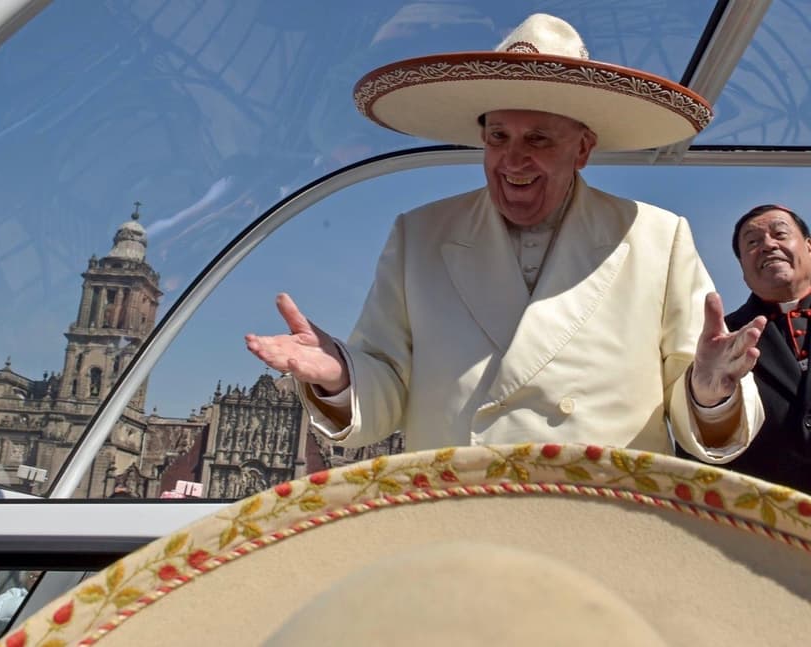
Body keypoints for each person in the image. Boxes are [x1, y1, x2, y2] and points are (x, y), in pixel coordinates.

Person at [245, 13, 764, 462]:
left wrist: (710, 389)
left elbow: (700, 407)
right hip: (462, 523)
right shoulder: (418, 235)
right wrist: (339, 377)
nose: (513, 159)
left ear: (582, 149)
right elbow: (384, 393)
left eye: (538, 138)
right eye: (498, 137)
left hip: (605, 524)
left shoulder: (659, 237)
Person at [679, 205, 811, 491]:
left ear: (809, 247)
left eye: (780, 234)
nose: (767, 245)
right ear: (742, 269)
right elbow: (693, 446)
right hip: (764, 516)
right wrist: (707, 401)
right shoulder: (719, 342)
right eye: (752, 242)